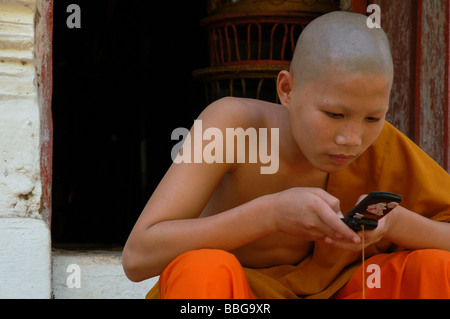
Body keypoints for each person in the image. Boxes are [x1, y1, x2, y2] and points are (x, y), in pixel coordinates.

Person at [122, 11, 450, 299]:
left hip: (340, 289)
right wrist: (271, 214)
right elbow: (138, 257)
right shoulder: (234, 127)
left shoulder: (382, 147)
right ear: (286, 90)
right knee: (202, 268)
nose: (351, 139)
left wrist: (393, 222)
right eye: (334, 115)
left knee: (435, 266)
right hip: (243, 297)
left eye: (373, 118)